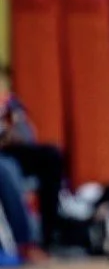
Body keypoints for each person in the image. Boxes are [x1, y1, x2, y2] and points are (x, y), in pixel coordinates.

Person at [0, 61, 65, 252]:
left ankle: (49, 234)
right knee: (7, 170)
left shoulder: (9, 103)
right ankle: (23, 241)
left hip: (9, 148)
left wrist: (14, 130)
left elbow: (27, 136)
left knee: (51, 156)